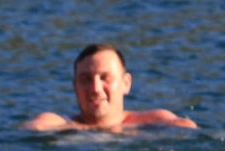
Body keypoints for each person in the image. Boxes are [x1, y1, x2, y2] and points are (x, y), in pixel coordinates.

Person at [22, 43, 198, 132]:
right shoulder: (62, 124)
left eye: (105, 78)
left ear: (126, 83)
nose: (95, 88)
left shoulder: (150, 122)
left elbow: (187, 127)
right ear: (75, 86)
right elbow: (32, 128)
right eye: (85, 79)